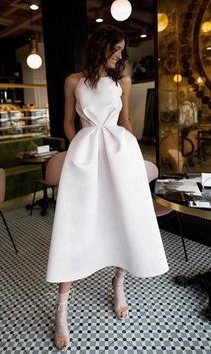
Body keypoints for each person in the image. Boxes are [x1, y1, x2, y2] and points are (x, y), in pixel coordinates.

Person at [46, 25, 169, 351]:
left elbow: (126, 123)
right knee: (74, 227)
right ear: (99, 47)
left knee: (123, 221)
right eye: (114, 49)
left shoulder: (122, 81)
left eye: (121, 51)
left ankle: (118, 283)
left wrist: (135, 159)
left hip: (121, 157)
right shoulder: (74, 81)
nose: (119, 56)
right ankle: (61, 307)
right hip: (85, 160)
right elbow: (67, 124)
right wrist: (81, 150)